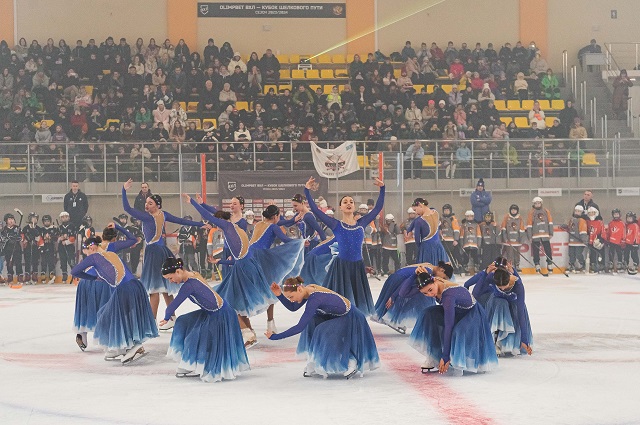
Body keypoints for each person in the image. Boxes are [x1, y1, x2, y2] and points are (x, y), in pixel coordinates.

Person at [122, 179, 206, 328]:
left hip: (154, 252)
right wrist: (200, 224)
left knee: (154, 289)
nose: (146, 205)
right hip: (163, 251)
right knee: (166, 287)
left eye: (150, 203)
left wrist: (124, 190)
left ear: (157, 205)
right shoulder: (164, 214)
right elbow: (182, 221)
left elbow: (127, 208)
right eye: (146, 203)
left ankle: (151, 322)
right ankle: (172, 318)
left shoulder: (147, 217)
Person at [266, 277, 379, 379]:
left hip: (349, 317)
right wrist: (279, 295)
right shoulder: (307, 291)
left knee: (323, 330)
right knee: (311, 322)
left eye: (291, 297)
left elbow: (299, 327)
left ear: (299, 289)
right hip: (333, 315)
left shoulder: (314, 299)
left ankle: (350, 361)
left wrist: (275, 337)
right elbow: (293, 307)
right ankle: (314, 361)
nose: (291, 300)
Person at [303, 176, 385, 315]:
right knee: (339, 300)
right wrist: (307, 190)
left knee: (356, 302)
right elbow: (316, 211)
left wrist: (382, 189)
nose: (349, 203)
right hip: (341, 267)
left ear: (354, 206)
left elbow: (377, 208)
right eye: (345, 202)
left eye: (351, 202)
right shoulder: (336, 224)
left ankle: (354, 324)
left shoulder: (361, 224)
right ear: (340, 207)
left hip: (357, 267)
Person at [71, 235, 158, 364]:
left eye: (87, 249)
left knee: (112, 317)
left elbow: (75, 271)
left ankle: (134, 346)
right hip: (137, 287)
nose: (87, 253)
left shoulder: (94, 258)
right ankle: (119, 347)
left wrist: (93, 279)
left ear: (92, 247)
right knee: (107, 314)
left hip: (124, 290)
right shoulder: (112, 254)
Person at [160, 257, 250, 381]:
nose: (170, 281)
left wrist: (166, 317)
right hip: (211, 312)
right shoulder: (193, 274)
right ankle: (190, 362)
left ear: (178, 272)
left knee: (194, 336)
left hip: (220, 315)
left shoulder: (189, 285)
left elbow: (173, 305)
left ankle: (191, 364)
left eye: (170, 278)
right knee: (183, 321)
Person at [409, 267, 498, 374]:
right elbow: (403, 293)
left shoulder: (448, 297)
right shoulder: (432, 281)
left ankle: (456, 359)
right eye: (425, 293)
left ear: (434, 282)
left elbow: (449, 325)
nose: (430, 295)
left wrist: (446, 356)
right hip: (456, 311)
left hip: (472, 314)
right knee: (427, 314)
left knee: (457, 331)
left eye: (430, 290)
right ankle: (434, 356)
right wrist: (414, 275)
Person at [73, 222, 138, 352]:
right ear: (114, 238)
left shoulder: (94, 245)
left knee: (86, 307)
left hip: (84, 282)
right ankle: (109, 340)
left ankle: (82, 333)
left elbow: (75, 271)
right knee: (106, 309)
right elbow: (133, 240)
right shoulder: (112, 246)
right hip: (102, 282)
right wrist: (119, 227)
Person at [463, 258, 533, 357]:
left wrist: (524, 339)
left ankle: (510, 343)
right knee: (500, 303)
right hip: (496, 305)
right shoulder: (491, 276)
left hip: (512, 305)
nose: (503, 289)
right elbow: (475, 294)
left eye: (505, 286)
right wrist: (485, 273)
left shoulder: (517, 284)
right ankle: (494, 341)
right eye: (500, 288)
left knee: (516, 307)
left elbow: (520, 311)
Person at [373, 261, 454, 333]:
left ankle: (400, 319)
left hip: (395, 278)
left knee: (422, 293)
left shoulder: (429, 265)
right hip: (398, 280)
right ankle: (397, 319)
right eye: (443, 277)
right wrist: (394, 295)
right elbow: (405, 282)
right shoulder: (427, 271)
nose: (440, 279)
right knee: (424, 295)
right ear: (442, 270)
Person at [408, 198, 449, 265]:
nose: (415, 213)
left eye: (415, 210)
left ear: (420, 205)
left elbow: (417, 239)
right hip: (438, 246)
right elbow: (429, 211)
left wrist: (420, 249)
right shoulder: (436, 213)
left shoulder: (419, 221)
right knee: (442, 270)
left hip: (426, 249)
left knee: (427, 271)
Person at [527, 197, 554, 275]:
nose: (537, 204)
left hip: (545, 234)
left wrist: (551, 233)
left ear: (541, 203)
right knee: (535, 251)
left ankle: (549, 264)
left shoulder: (546, 211)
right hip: (535, 235)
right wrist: (529, 236)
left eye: (539, 203)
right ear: (534, 204)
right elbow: (529, 225)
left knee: (548, 249)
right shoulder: (531, 212)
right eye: (536, 203)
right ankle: (537, 264)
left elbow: (550, 222)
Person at [501, 204, 526, 272]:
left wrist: (521, 239)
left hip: (517, 240)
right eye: (512, 210)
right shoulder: (506, 217)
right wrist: (505, 239)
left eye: (515, 210)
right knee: (510, 254)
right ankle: (510, 265)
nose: (513, 211)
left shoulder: (520, 218)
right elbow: (503, 228)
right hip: (509, 241)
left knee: (517, 254)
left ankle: (517, 265)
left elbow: (521, 229)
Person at [565, 205, 588, 273]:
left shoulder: (582, 220)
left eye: (579, 211)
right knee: (571, 254)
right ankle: (572, 264)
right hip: (572, 241)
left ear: (582, 213)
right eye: (576, 211)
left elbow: (583, 230)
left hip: (579, 242)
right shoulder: (571, 219)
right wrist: (565, 227)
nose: (577, 212)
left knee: (578, 254)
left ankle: (582, 264)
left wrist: (584, 239)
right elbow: (570, 228)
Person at [22, 213, 42, 285]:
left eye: (36, 218)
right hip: (27, 247)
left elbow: (39, 239)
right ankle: (27, 276)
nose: (34, 219)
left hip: (35, 247)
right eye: (33, 218)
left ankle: (34, 276)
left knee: (35, 261)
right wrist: (27, 238)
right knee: (27, 261)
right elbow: (22, 238)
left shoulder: (39, 228)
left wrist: (36, 234)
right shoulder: (25, 228)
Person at [57, 211, 76, 284]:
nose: (64, 218)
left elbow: (73, 237)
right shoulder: (59, 227)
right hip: (61, 247)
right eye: (62, 217)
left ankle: (74, 275)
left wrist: (67, 241)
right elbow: (56, 237)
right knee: (63, 261)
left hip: (70, 247)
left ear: (68, 217)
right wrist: (60, 238)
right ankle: (64, 275)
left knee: (71, 261)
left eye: (66, 217)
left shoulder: (72, 226)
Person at [608, 209, 625, 273]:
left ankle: (620, 263)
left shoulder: (622, 223)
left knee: (619, 252)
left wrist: (623, 240)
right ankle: (611, 263)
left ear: (620, 215)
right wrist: (607, 239)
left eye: (617, 214)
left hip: (619, 242)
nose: (616, 215)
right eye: (615, 214)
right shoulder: (611, 223)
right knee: (611, 252)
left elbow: (624, 232)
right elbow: (608, 232)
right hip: (611, 241)